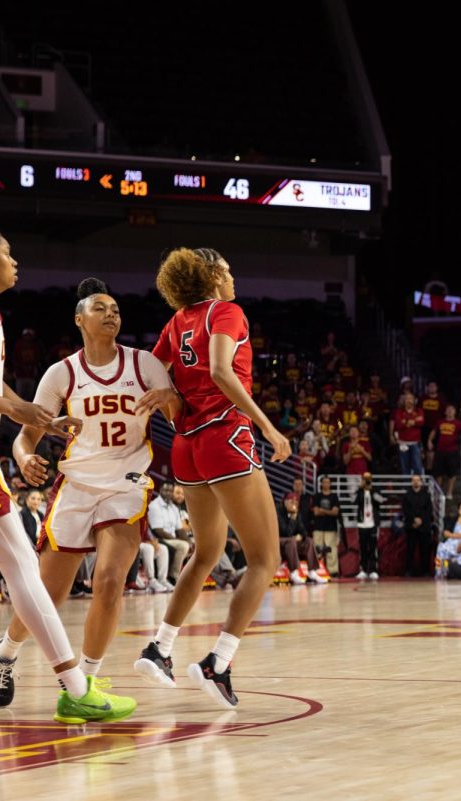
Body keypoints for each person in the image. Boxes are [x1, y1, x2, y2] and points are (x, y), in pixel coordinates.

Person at [0, 228, 133, 728]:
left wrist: (33, 416)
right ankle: (76, 690)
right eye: (8, 254)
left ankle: (69, 683)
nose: (15, 262)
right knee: (24, 566)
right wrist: (11, 407)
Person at [0, 278, 181, 713]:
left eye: (115, 308)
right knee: (47, 594)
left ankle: (85, 684)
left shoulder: (144, 364)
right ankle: (5, 652)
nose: (112, 313)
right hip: (75, 485)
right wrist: (22, 458)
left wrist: (171, 395)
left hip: (126, 483)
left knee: (109, 580)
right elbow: (27, 435)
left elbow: (177, 413)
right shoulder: (63, 373)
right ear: (80, 319)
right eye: (101, 308)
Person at [132, 247, 291, 709]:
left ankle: (159, 647)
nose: (235, 275)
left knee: (206, 552)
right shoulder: (227, 312)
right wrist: (266, 425)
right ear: (215, 273)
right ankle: (217, 662)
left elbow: (148, 369)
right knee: (265, 560)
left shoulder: (177, 320)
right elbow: (221, 370)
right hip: (224, 438)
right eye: (229, 267)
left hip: (186, 446)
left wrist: (169, 395)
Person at [278, 493, 326, 584]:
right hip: (279, 542)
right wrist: (292, 518)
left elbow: (304, 531)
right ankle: (294, 572)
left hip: (291, 542)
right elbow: (286, 532)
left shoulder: (297, 513)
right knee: (291, 540)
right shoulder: (279, 513)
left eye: (296, 502)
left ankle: (312, 572)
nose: (294, 504)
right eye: (291, 502)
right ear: (285, 503)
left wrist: (301, 536)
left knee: (309, 540)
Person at [401, 474, 434, 577]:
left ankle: (425, 571)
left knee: (425, 550)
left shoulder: (426, 495)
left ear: (421, 482)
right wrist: (414, 520)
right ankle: (409, 571)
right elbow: (406, 510)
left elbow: (429, 510)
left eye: (417, 480)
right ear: (411, 482)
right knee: (410, 550)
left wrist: (421, 520)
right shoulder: (406, 495)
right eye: (413, 480)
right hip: (411, 527)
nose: (416, 482)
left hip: (424, 527)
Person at [353, 472, 385, 579]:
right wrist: (361, 489)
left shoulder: (375, 489)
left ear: (371, 479)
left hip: (372, 523)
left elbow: (382, 500)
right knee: (362, 548)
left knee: (373, 547)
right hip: (362, 523)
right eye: (365, 479)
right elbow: (353, 501)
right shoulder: (359, 491)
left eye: (368, 479)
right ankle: (363, 569)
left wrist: (372, 490)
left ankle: (373, 570)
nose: (367, 481)